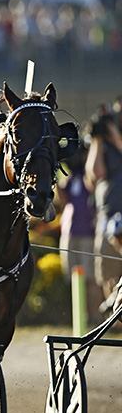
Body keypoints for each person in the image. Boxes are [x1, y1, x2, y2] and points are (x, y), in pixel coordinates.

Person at [57, 139, 101, 321]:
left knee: (91, 279)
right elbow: (62, 199)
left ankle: (95, 316)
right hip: (70, 233)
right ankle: (78, 317)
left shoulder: (90, 178)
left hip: (88, 234)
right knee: (75, 279)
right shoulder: (71, 178)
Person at [84, 106, 122, 302]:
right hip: (109, 217)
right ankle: (116, 319)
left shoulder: (117, 140)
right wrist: (97, 139)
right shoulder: (104, 144)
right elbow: (94, 175)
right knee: (108, 273)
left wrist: (115, 135)